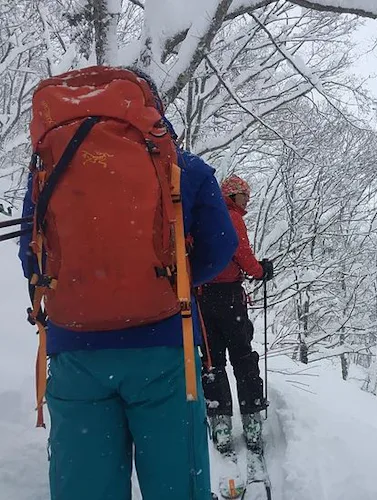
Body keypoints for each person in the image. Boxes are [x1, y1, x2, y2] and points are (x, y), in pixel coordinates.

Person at [19, 66, 238, 500]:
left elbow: (31, 256)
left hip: (75, 352)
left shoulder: (50, 171)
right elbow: (220, 248)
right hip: (164, 349)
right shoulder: (185, 168)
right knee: (178, 487)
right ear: (152, 109)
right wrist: (171, 277)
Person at [199, 174, 274, 453]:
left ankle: (220, 424)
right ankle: (252, 420)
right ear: (232, 196)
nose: (247, 200)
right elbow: (242, 254)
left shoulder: (203, 216)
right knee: (242, 356)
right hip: (229, 296)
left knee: (212, 360)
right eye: (244, 195)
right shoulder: (231, 217)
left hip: (203, 297)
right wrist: (260, 271)